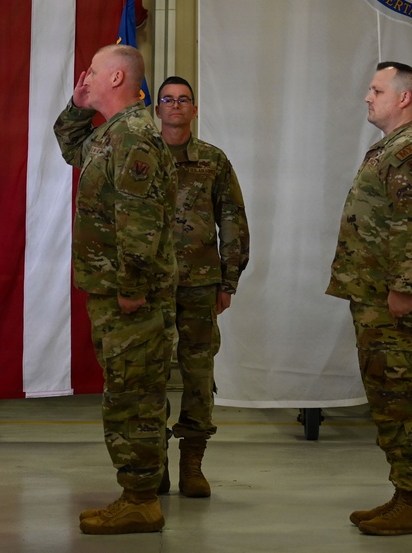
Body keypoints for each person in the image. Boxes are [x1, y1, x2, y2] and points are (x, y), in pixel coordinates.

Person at [53, 44, 178, 535]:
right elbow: (69, 145)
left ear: (119, 76)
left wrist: (131, 286)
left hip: (130, 296)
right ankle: (136, 492)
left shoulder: (135, 140)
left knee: (135, 395)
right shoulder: (111, 135)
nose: (86, 75)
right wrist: (78, 105)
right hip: (110, 292)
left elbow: (139, 222)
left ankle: (141, 498)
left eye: (94, 71)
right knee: (125, 390)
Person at [326, 62, 412, 536]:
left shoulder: (411, 151)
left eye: (376, 89)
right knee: (387, 396)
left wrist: (402, 289)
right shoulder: (391, 148)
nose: (367, 96)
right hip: (375, 295)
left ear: (403, 98)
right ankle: (405, 495)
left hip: (393, 299)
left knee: (400, 398)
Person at [153, 76, 249, 498]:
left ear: (194, 109)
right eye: (168, 100)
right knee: (149, 374)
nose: (176, 106)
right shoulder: (139, 156)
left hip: (199, 284)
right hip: (150, 284)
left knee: (197, 374)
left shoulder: (213, 160)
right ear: (157, 109)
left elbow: (232, 220)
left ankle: (193, 463)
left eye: (183, 100)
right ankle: (152, 463)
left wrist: (228, 280)